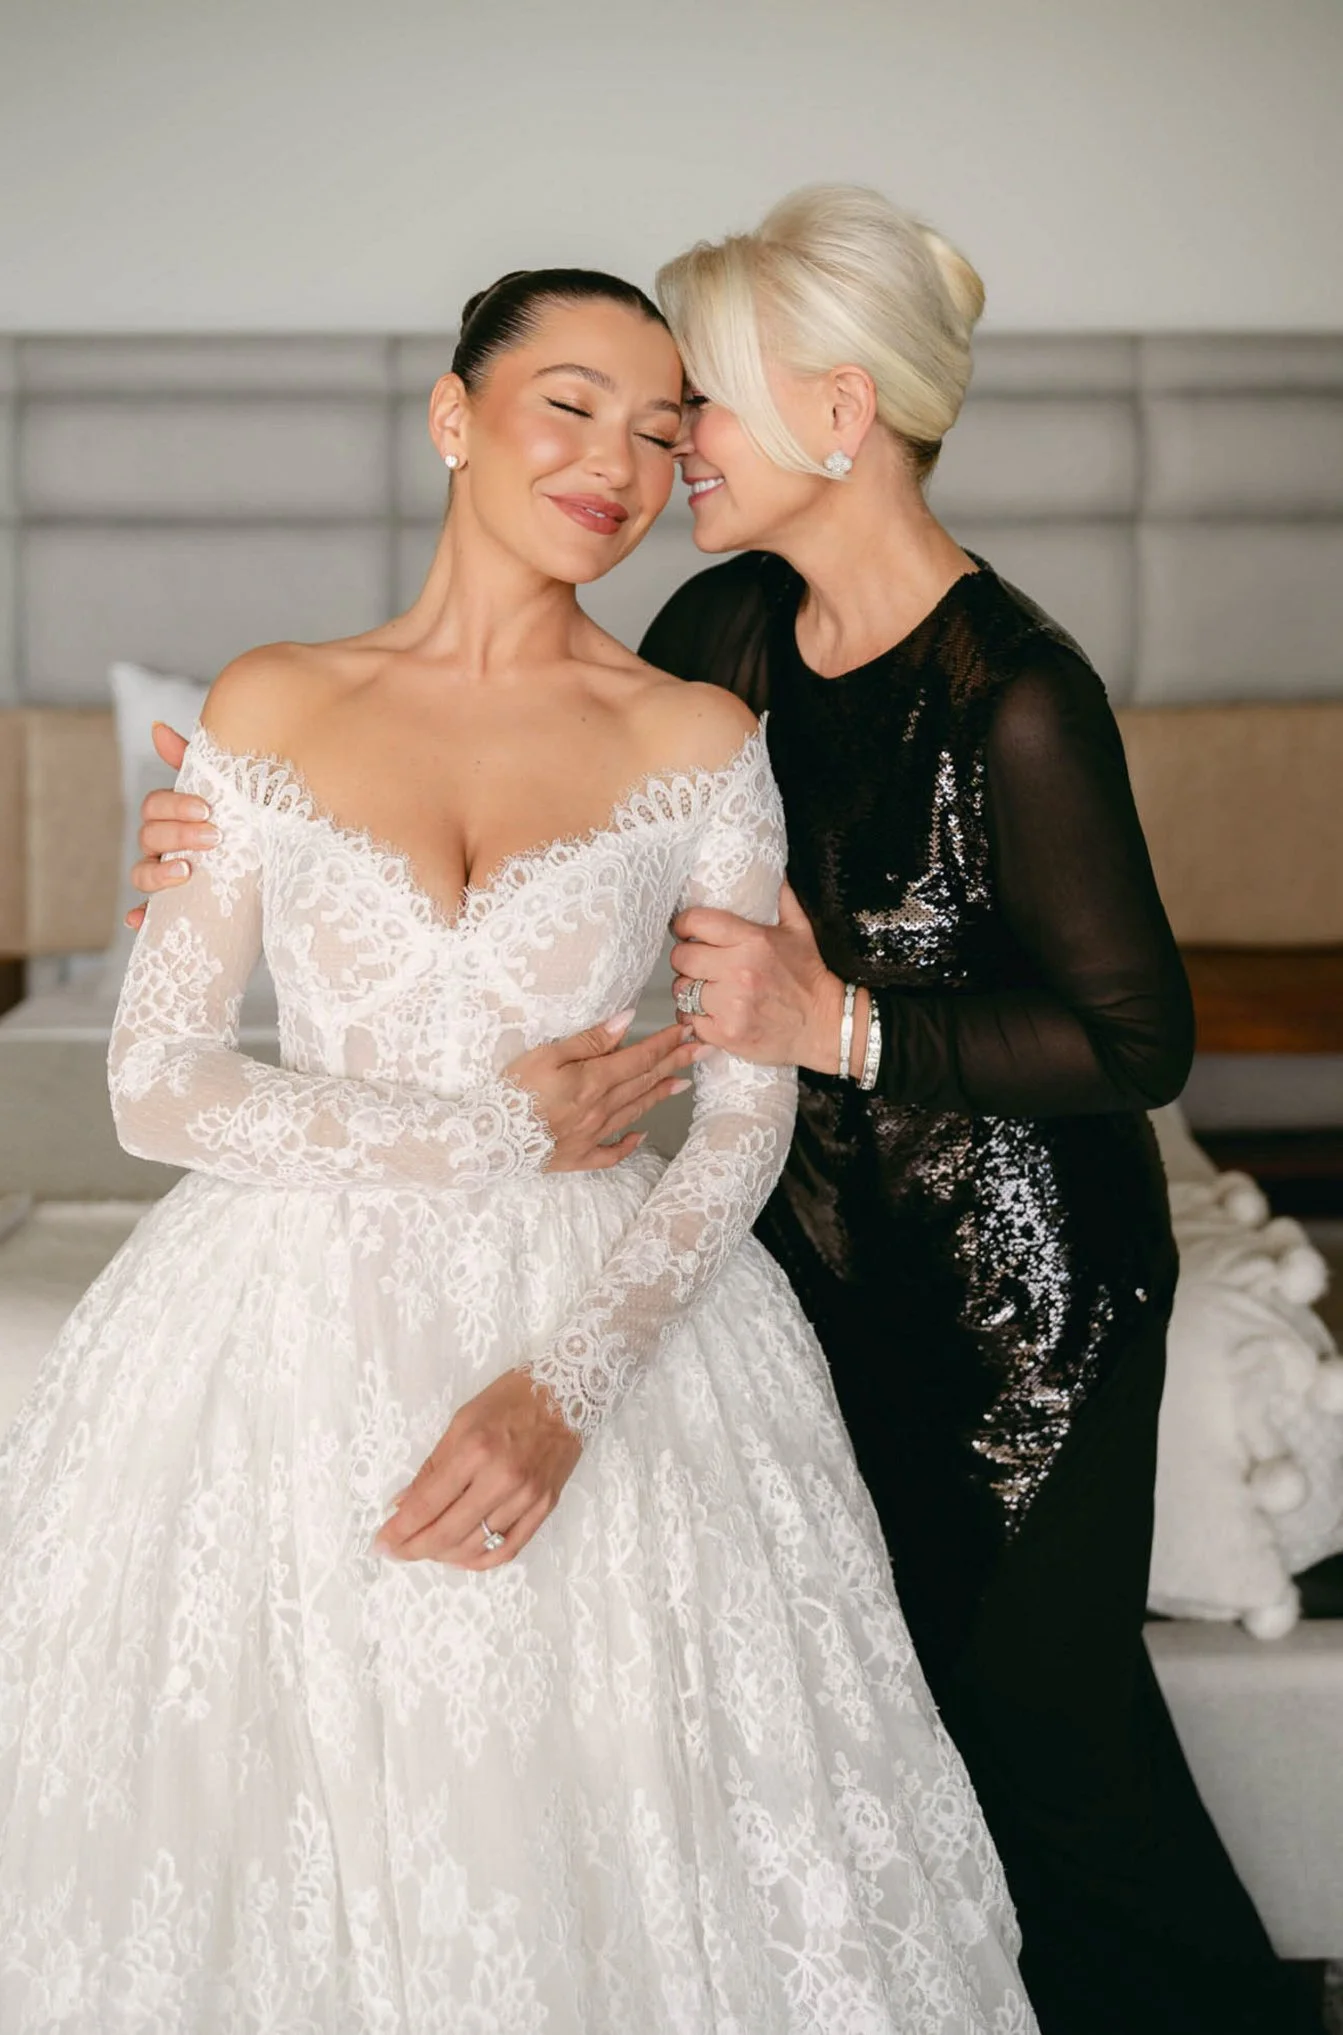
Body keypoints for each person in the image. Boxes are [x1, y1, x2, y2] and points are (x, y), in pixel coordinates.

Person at [0, 269, 1034, 2033]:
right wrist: (491, 1124)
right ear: (454, 414)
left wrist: (561, 1385)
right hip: (274, 1327)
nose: (614, 463)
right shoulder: (264, 703)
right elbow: (157, 1088)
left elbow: (742, 1109)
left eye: (657, 428)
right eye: (567, 403)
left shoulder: (698, 737)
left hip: (607, 1327)